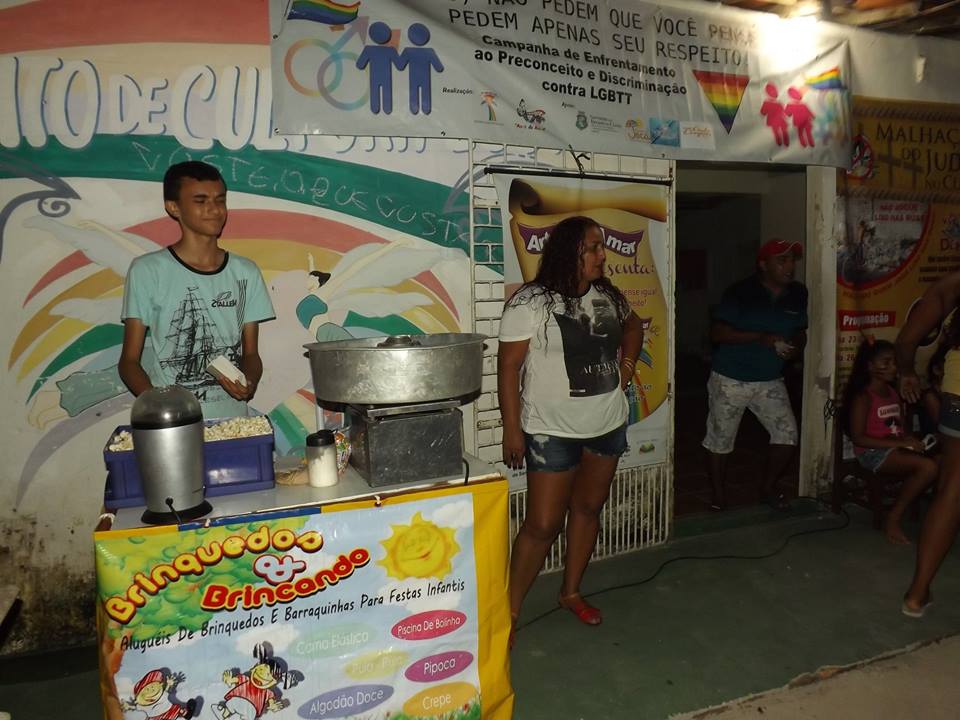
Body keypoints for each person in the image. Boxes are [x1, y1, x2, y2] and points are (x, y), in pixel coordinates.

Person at [498, 216, 644, 637]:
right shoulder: (531, 302)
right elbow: (508, 368)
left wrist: (626, 370)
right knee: (542, 524)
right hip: (551, 429)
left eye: (602, 246)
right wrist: (512, 430)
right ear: (569, 252)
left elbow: (634, 326)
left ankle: (571, 592)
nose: (603, 255)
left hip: (606, 423)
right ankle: (507, 613)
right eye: (593, 247)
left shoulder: (608, 295)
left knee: (588, 510)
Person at [119, 161, 275, 419]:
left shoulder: (245, 272)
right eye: (201, 201)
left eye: (220, 200)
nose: (215, 209)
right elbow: (129, 362)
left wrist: (249, 381)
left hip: (235, 422)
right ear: (173, 207)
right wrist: (160, 406)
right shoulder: (147, 270)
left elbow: (250, 354)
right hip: (172, 425)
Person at [703, 239, 808, 511]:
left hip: (769, 379)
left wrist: (796, 348)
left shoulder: (798, 293)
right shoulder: (740, 292)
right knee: (720, 441)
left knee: (787, 436)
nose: (789, 266)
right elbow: (718, 333)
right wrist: (759, 337)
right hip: (731, 379)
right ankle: (718, 496)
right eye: (781, 260)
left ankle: (767, 489)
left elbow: (800, 330)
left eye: (792, 260)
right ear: (763, 265)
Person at [896, 274, 960, 616]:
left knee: (951, 491)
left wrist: (907, 373)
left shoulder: (950, 286)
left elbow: (907, 340)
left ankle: (917, 594)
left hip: (958, 396)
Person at [842, 339, 938, 544]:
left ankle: (935, 514)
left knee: (939, 459)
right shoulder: (863, 396)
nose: (893, 367)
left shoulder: (893, 392)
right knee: (928, 468)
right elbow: (858, 438)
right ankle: (893, 518)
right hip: (871, 453)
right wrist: (899, 444)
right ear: (870, 366)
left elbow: (900, 428)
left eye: (895, 362)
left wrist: (910, 440)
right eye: (886, 362)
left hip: (893, 448)